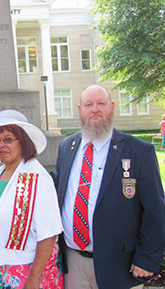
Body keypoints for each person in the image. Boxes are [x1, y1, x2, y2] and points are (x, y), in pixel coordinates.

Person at [52, 84, 165, 289]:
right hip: (73, 264)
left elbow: (155, 211)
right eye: (88, 104)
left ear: (112, 107)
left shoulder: (139, 151)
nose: (94, 109)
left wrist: (146, 258)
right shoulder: (66, 147)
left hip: (120, 265)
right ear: (80, 110)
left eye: (100, 103)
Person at [0, 110, 63, 289]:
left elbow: (49, 234)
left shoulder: (37, 177)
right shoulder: (1, 174)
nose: (1, 145)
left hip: (28, 276)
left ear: (24, 141)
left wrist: (34, 279)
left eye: (8, 138)